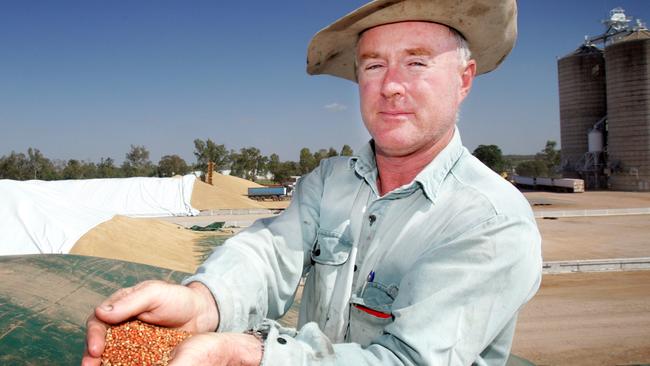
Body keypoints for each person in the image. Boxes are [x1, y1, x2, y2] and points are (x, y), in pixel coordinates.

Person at [83, 1, 542, 365]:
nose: (391, 86)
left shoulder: (492, 220)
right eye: (374, 65)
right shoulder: (330, 181)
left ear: (464, 80)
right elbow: (268, 255)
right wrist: (200, 302)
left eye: (417, 62)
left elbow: (410, 361)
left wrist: (248, 353)